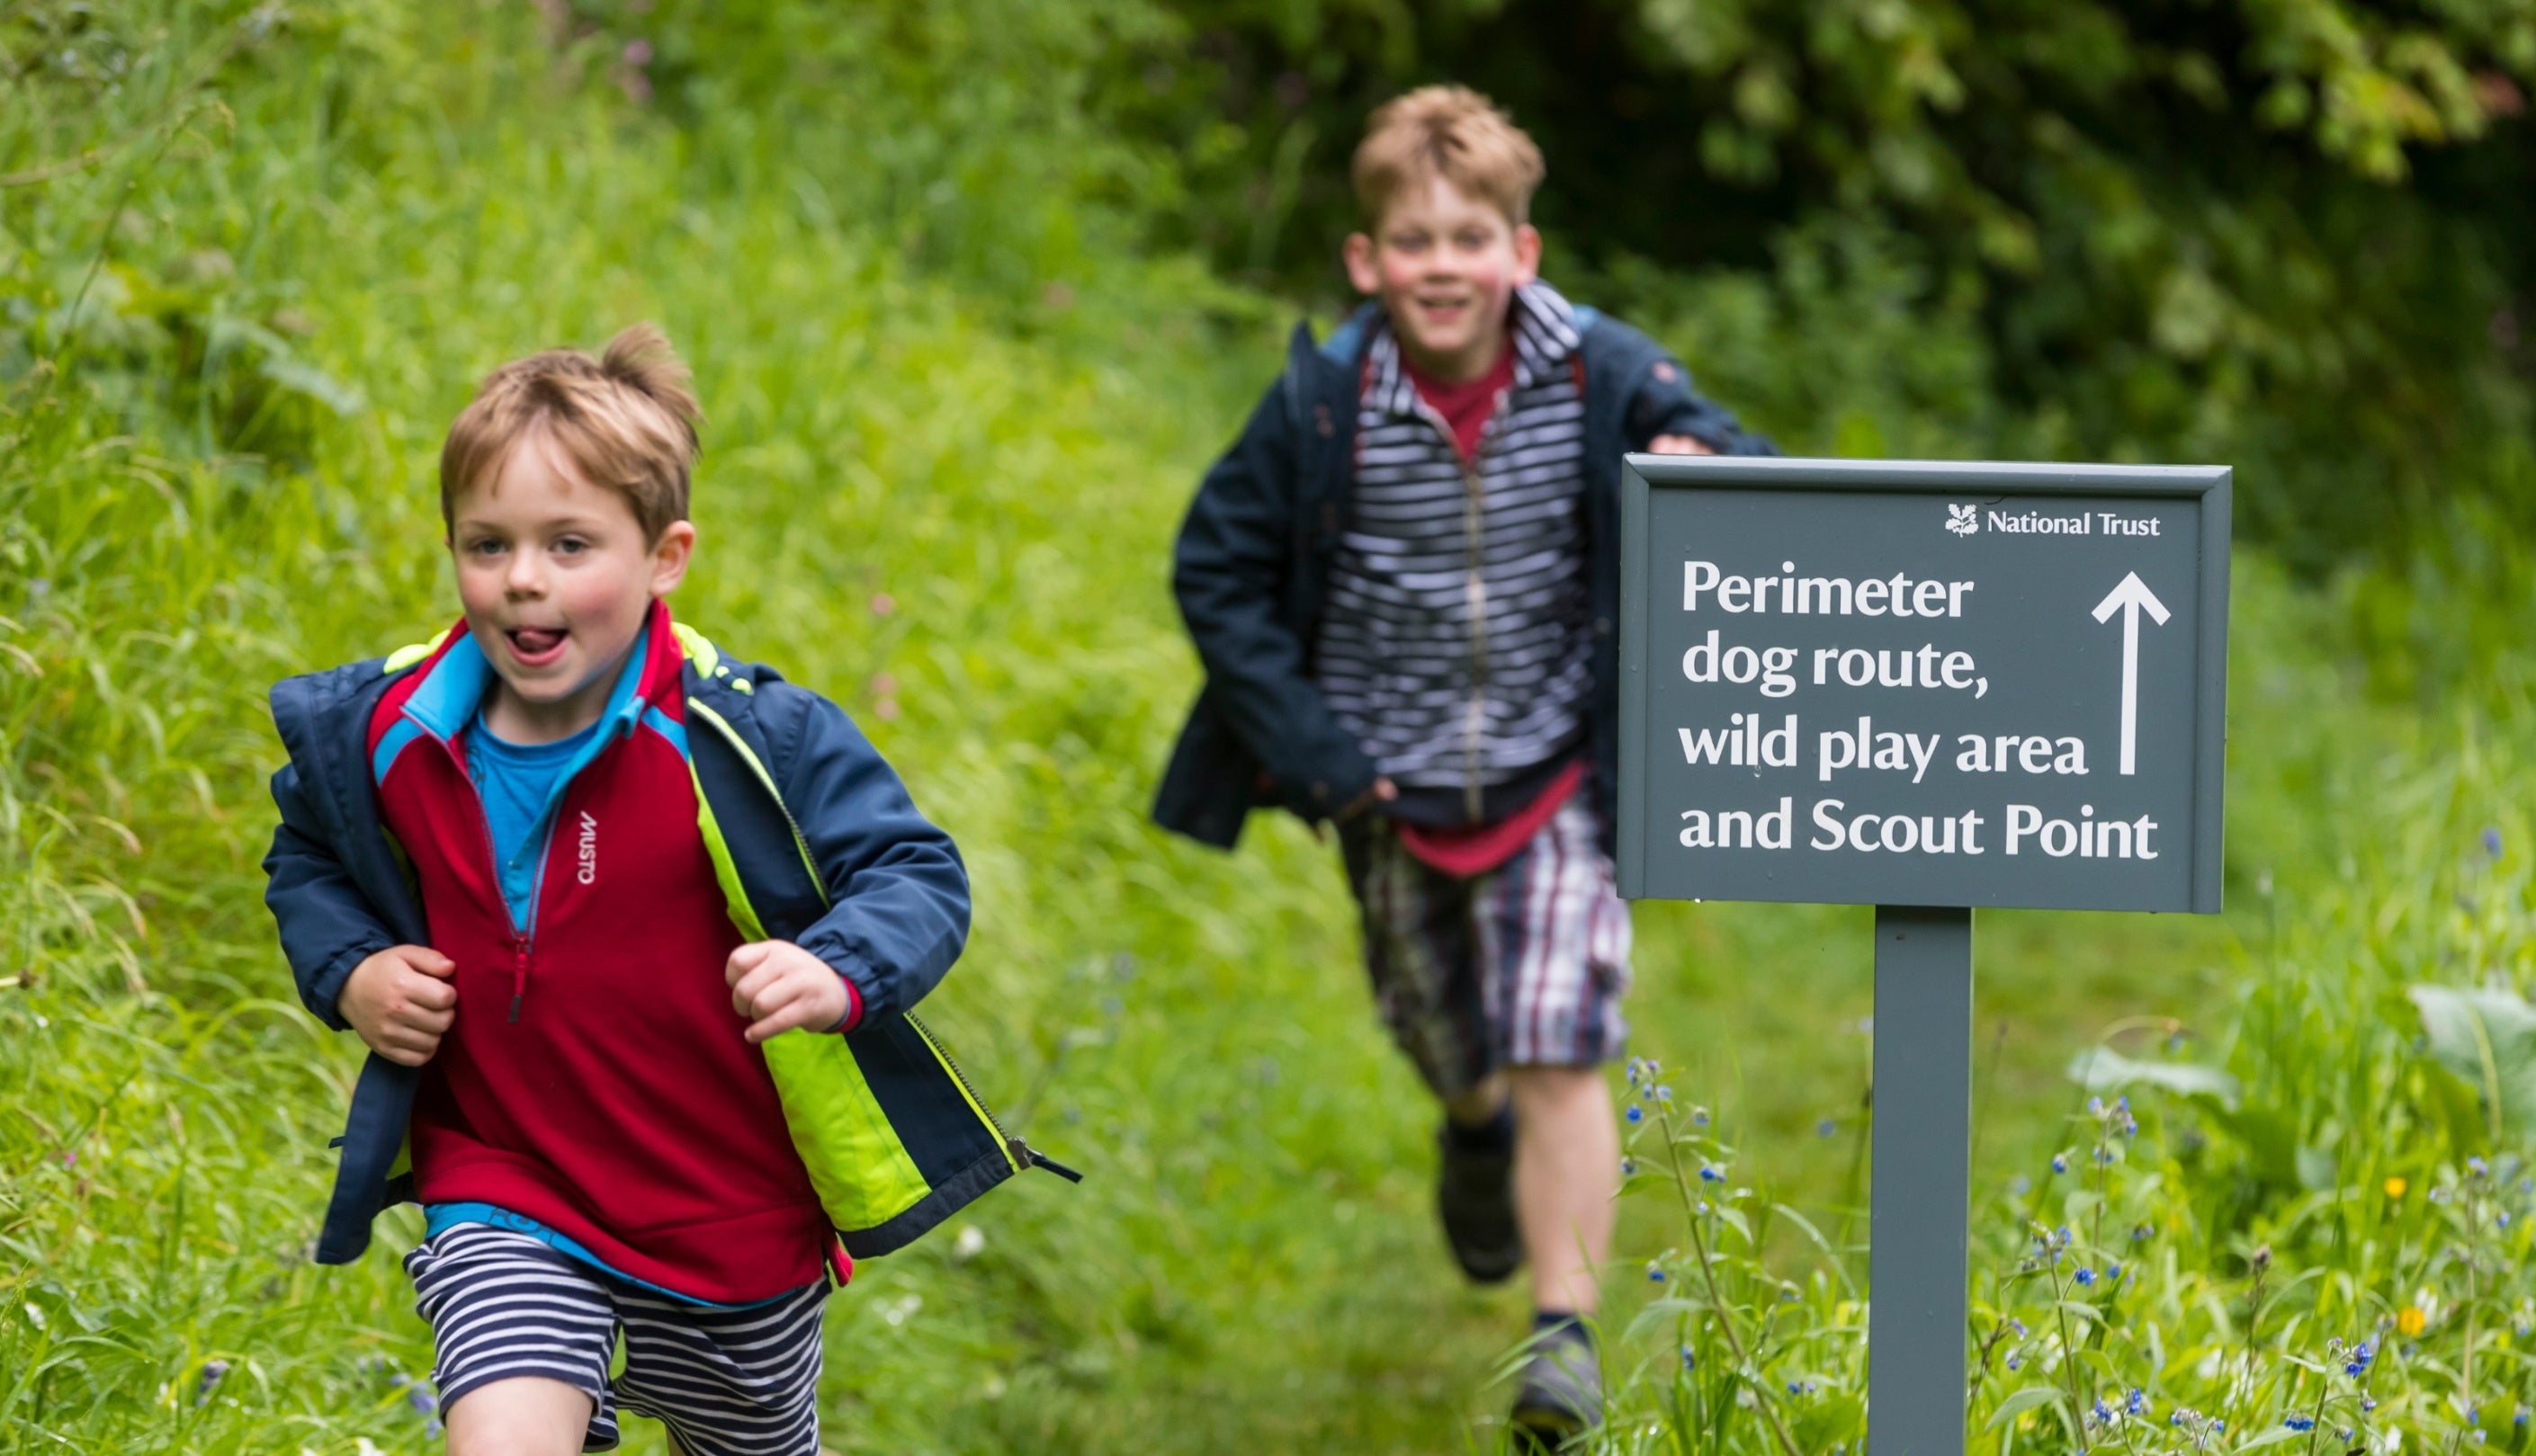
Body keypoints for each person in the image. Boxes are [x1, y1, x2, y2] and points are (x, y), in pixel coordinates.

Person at [263, 326, 1065, 1455]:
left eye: (569, 543)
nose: (523, 577)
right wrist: (353, 967)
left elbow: (916, 872)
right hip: (508, 1181)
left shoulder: (745, 734)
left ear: (665, 556)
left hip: (730, 1222)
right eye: (488, 543)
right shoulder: (393, 732)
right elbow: (307, 852)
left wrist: (836, 968)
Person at [1152, 85, 1773, 1441]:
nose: (1444, 265)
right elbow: (1214, 567)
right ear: (1367, 260)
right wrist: (1318, 756)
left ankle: (1564, 1340)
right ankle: (1473, 1126)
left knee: (1561, 1033)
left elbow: (1744, 464)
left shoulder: (1601, 372)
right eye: (1415, 240)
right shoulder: (1325, 403)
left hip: (1560, 770)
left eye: (1471, 237)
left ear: (1521, 251)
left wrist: (1700, 458)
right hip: (1387, 785)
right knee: (1445, 1035)